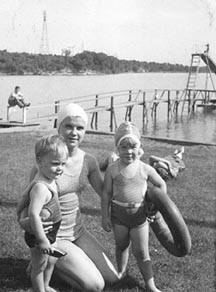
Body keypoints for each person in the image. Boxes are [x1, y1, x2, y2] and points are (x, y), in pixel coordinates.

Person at [18, 103, 120, 292]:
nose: (74, 132)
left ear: (85, 131)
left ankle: (52, 263)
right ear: (59, 127)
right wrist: (28, 226)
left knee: (112, 278)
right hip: (55, 235)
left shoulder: (88, 161)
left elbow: (106, 192)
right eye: (69, 126)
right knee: (96, 286)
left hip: (78, 231)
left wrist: (127, 179)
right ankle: (46, 263)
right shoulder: (45, 165)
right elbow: (29, 201)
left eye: (80, 128)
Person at [101, 121, 167, 292]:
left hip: (139, 217)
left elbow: (161, 186)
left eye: (133, 147)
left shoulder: (145, 169)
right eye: (124, 147)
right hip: (118, 215)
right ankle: (121, 272)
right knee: (121, 245)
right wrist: (104, 215)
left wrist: (156, 204)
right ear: (117, 148)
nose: (129, 151)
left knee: (142, 252)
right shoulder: (112, 170)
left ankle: (150, 284)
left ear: (140, 147)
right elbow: (106, 194)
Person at [17, 134, 68, 292]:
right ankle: (39, 289)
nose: (60, 168)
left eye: (63, 164)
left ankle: (45, 285)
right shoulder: (40, 187)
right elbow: (33, 214)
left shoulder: (49, 179)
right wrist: (42, 239)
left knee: (50, 261)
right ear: (40, 162)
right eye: (55, 163)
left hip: (49, 231)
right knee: (39, 266)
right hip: (40, 234)